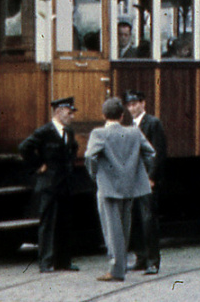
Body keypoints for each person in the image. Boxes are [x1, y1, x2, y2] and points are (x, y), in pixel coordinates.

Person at [83, 96, 155, 282]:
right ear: (122, 115)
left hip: (108, 187)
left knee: (112, 229)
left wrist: (96, 175)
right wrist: (138, 172)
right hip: (130, 186)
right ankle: (121, 266)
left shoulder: (99, 134)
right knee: (124, 227)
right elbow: (150, 153)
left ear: (103, 115)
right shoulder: (134, 132)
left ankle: (116, 270)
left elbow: (90, 157)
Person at [19, 97, 80, 273]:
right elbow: (24, 148)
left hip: (65, 184)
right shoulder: (45, 131)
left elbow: (73, 149)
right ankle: (46, 261)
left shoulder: (68, 132)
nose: (72, 117)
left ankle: (64, 261)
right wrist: (39, 165)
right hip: (50, 185)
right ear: (58, 111)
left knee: (65, 223)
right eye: (69, 113)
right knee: (48, 223)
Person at [125, 90, 167, 274]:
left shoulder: (153, 123)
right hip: (133, 179)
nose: (132, 107)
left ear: (143, 104)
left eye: (135, 103)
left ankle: (152, 261)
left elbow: (158, 152)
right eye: (130, 104)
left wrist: (152, 177)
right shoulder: (128, 124)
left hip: (146, 179)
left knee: (148, 220)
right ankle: (140, 257)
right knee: (134, 219)